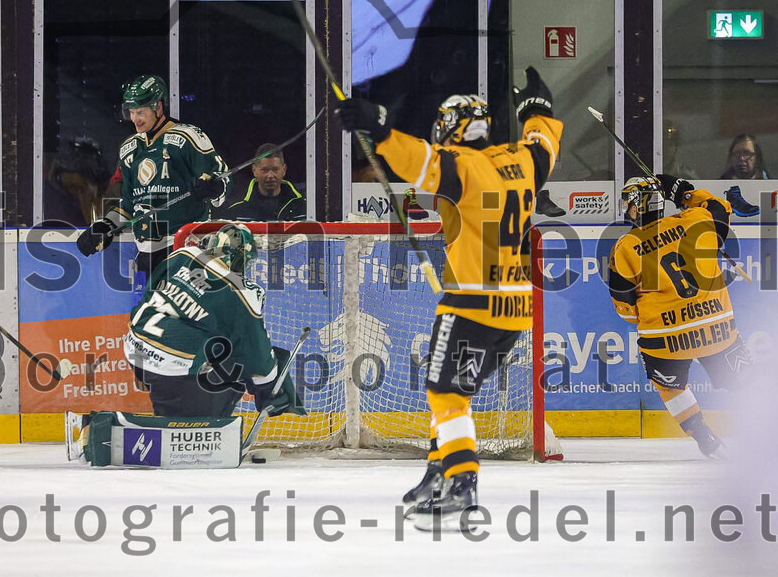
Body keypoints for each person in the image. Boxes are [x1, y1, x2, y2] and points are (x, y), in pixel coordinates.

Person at [335, 67, 563, 531]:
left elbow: (418, 160)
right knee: (456, 392)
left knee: (445, 393)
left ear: (450, 129)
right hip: (515, 308)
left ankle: (462, 483)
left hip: (470, 303)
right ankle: (437, 472)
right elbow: (544, 142)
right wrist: (537, 109)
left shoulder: (460, 165)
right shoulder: (523, 159)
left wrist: (380, 127)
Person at [608, 174, 752, 458]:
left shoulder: (625, 246)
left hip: (665, 338)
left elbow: (625, 308)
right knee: (746, 379)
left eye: (628, 203)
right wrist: (684, 193)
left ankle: (703, 435)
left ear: (639, 205)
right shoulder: (696, 218)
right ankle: (767, 422)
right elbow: (720, 207)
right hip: (716, 326)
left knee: (669, 386)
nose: (626, 209)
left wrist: (654, 316)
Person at [122, 222, 301, 419]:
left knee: (213, 346)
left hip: (134, 348)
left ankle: (171, 415)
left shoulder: (182, 255)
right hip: (171, 365)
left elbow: (150, 291)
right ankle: (202, 426)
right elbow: (256, 357)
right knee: (235, 363)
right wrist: (269, 389)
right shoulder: (240, 291)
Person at [75, 75, 230, 279]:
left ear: (158, 107)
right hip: (147, 254)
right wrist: (106, 226)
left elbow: (222, 177)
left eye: (140, 112)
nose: (135, 119)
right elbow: (128, 205)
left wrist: (214, 186)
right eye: (131, 112)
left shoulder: (188, 137)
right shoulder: (129, 149)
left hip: (186, 248)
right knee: (149, 301)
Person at [218, 143, 306, 221]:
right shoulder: (235, 207)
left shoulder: (303, 205)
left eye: (275, 169)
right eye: (265, 170)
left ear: (284, 170)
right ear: (254, 170)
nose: (270, 175)